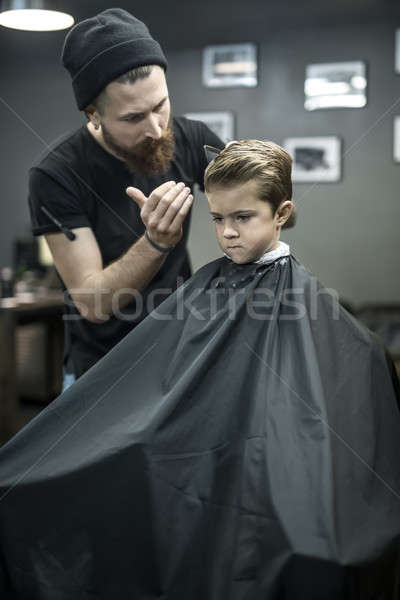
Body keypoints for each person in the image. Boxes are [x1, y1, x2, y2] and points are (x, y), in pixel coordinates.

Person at [2, 140, 399, 598]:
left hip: (264, 473)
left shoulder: (307, 305)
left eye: (243, 217)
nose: (227, 232)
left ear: (282, 212)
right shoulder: (207, 285)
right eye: (217, 219)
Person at [28, 8, 225, 385]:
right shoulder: (55, 175)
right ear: (93, 115)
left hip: (178, 351)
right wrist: (155, 243)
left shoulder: (191, 138)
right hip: (101, 370)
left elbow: (253, 193)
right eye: (134, 118)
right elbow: (92, 301)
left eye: (161, 105)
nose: (156, 128)